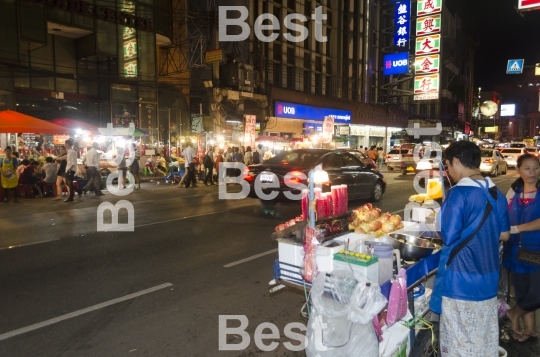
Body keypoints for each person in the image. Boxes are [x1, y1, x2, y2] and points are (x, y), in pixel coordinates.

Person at [430, 141, 510, 357]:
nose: (448, 171)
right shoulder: (496, 193)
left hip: (461, 281)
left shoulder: (459, 194)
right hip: (488, 278)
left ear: (457, 161)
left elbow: (447, 235)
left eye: (447, 165)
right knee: (481, 339)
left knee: (459, 342)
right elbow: (504, 234)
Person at [503, 154, 540, 342]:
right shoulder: (514, 191)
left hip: (537, 250)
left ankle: (513, 313)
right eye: (527, 168)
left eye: (536, 168)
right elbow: (502, 214)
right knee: (523, 292)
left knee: (536, 294)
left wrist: (517, 228)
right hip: (515, 250)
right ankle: (530, 329)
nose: (532, 172)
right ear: (519, 170)